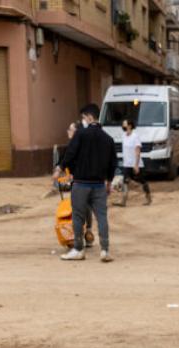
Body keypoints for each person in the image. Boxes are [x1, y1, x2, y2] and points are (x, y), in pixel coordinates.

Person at [55, 104, 116, 262]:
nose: (82, 121)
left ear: (89, 117)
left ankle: (78, 248)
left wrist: (60, 168)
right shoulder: (108, 139)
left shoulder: (81, 135)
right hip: (99, 184)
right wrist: (108, 182)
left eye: (83, 117)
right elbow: (112, 163)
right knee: (102, 216)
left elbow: (70, 153)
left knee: (78, 216)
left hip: (81, 183)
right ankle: (105, 250)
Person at [119, 117, 152, 207]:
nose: (123, 125)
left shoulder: (135, 136)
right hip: (127, 163)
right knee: (125, 181)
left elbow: (137, 151)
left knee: (142, 181)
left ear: (129, 126)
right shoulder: (123, 136)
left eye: (124, 124)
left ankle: (148, 197)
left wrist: (136, 165)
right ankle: (124, 200)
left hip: (135, 164)